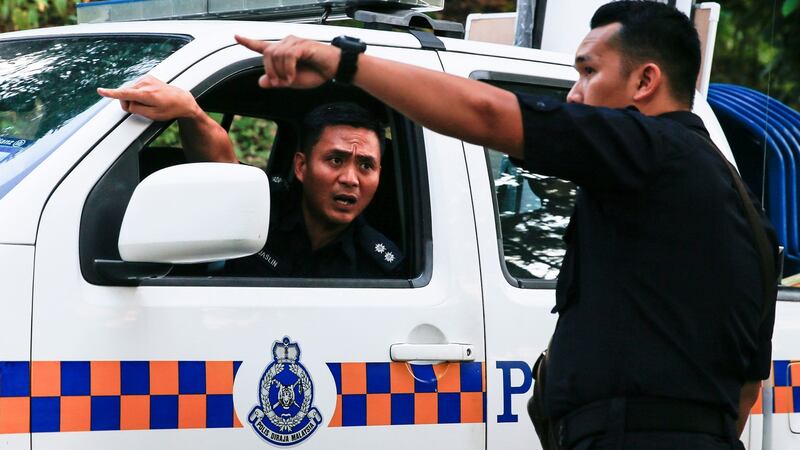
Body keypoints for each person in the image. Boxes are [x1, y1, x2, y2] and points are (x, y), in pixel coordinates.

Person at [233, 1, 778, 448]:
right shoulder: (745, 213)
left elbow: (489, 115)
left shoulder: (652, 149)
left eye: (588, 72)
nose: (574, 94)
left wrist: (343, 63)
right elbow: (747, 389)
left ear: (645, 81)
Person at [97, 80, 404, 278]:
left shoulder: (383, 265)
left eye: (366, 165)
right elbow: (221, 166)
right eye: (336, 160)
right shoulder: (262, 212)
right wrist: (191, 113)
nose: (350, 178)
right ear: (301, 167)